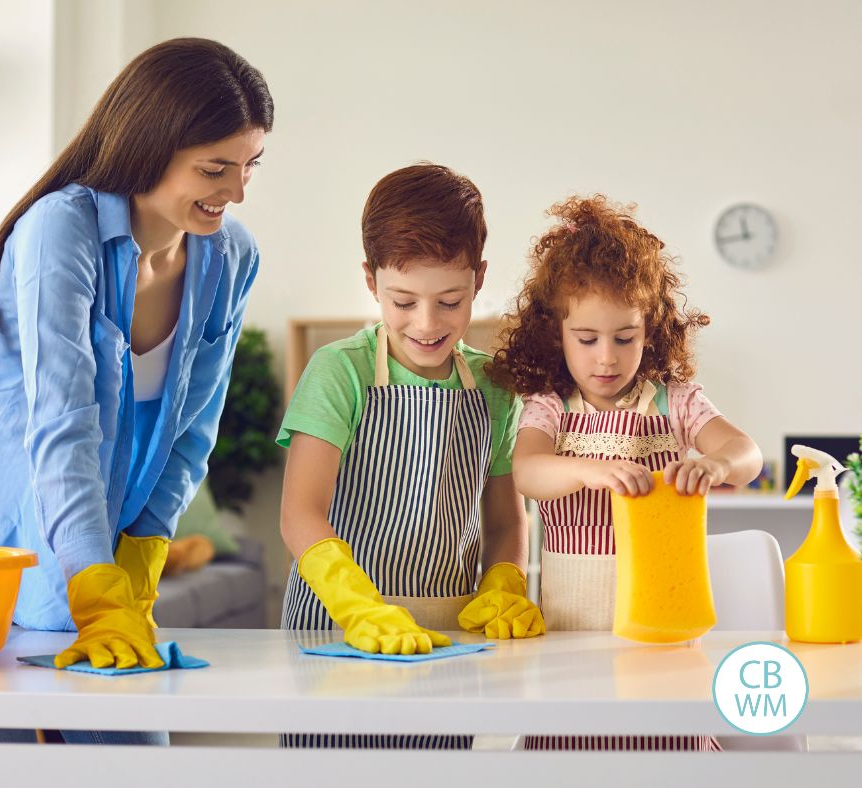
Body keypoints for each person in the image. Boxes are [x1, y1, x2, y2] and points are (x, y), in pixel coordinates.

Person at [0, 38, 273, 745]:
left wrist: (142, 550)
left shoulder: (230, 254)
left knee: (132, 752)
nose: (236, 192)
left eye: (249, 167)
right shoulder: (61, 229)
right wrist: (90, 576)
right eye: (214, 168)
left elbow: (194, 426)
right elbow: (63, 421)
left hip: (101, 526)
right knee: (0, 755)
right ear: (149, 146)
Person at [278, 163, 544, 748]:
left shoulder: (494, 386)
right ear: (371, 281)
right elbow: (300, 513)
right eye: (403, 301)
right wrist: (357, 606)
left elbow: (504, 521)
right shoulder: (338, 371)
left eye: (450, 301)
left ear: (479, 279)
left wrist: (504, 583)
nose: (427, 325)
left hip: (449, 642)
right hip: (335, 633)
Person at [489, 194, 762, 751]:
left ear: (651, 329)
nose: (606, 358)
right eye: (586, 340)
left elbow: (747, 452)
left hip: (665, 643)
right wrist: (589, 470)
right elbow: (529, 473)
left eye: (625, 338)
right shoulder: (550, 406)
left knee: (666, 752)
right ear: (556, 333)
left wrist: (716, 462)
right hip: (571, 639)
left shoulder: (675, 402)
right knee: (576, 759)